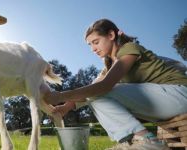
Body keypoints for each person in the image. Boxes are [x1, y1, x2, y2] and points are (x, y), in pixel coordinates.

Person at [42, 18, 187, 150]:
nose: (93, 49)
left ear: (111, 35)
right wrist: (65, 107)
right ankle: (135, 141)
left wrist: (60, 95)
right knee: (94, 92)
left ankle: (147, 141)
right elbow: (91, 90)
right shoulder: (108, 69)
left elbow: (104, 86)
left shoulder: (130, 48)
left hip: (180, 94)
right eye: (89, 45)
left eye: (96, 42)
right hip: (163, 103)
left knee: (98, 91)